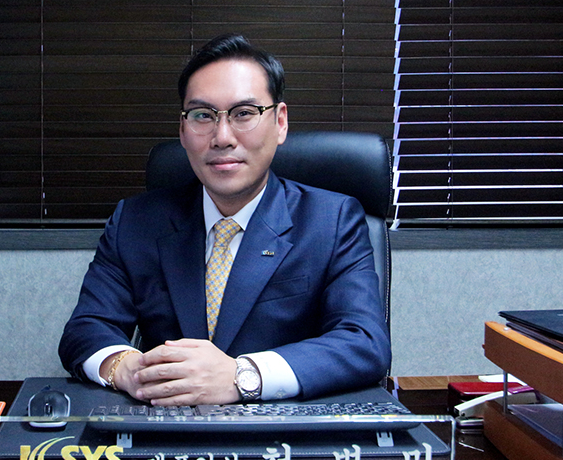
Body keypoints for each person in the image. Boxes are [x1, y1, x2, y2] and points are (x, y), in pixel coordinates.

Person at [57, 33, 390, 406]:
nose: (222, 137)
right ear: (183, 130)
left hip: (285, 431)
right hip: (168, 428)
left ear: (280, 122)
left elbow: (363, 342)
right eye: (202, 115)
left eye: (243, 113)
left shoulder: (331, 221)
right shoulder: (137, 222)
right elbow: (85, 330)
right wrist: (127, 369)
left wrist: (242, 377)